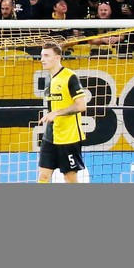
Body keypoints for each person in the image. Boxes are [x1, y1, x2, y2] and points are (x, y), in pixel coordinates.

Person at [36, 40, 88, 183]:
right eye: (42, 56)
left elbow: (81, 106)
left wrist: (57, 112)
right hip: (50, 135)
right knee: (43, 176)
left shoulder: (70, 76)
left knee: (69, 177)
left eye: (46, 56)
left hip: (69, 136)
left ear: (57, 57)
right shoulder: (49, 79)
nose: (42, 59)